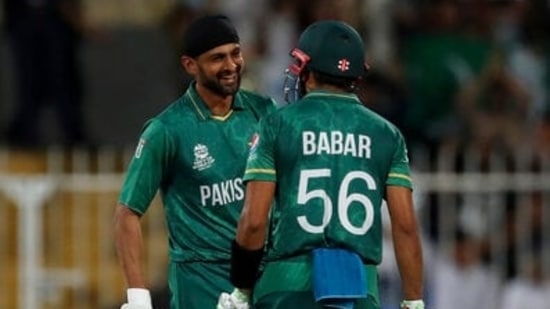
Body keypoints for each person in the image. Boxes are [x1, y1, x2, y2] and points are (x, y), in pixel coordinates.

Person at [221, 20, 424, 309]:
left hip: (286, 285)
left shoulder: (277, 124)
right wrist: (414, 300)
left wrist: (241, 289)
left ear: (306, 68)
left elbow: (254, 222)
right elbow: (405, 226)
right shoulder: (387, 135)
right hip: (359, 290)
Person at [113, 14, 276, 309]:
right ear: (190, 65)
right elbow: (127, 213)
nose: (230, 65)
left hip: (263, 276)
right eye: (217, 58)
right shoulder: (167, 130)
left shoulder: (264, 112)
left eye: (235, 53)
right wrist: (138, 298)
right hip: (201, 282)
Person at [2, 0, 88, 146]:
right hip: (22, 17)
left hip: (55, 18)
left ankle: (73, 135)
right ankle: (26, 134)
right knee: (28, 81)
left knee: (63, 80)